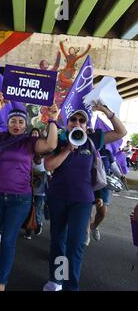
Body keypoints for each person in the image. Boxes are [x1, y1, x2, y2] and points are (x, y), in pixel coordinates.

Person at [43, 104, 127, 291]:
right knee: (58, 241)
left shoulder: (93, 139)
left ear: (86, 124)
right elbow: (49, 166)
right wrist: (67, 149)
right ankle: (57, 280)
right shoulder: (58, 139)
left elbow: (121, 132)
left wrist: (106, 111)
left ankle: (70, 286)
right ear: (67, 121)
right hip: (58, 197)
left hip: (82, 201)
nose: (77, 123)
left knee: (76, 244)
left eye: (82, 120)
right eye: (73, 119)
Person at [0, 92, 59, 291]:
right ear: (7, 124)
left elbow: (50, 144)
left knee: (8, 240)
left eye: (20, 122)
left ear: (25, 125)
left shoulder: (30, 142)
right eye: (13, 121)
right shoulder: (2, 139)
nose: (16, 124)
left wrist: (52, 120)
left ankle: (1, 282)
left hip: (20, 200)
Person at [86, 146, 125, 245]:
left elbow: (113, 166)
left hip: (104, 183)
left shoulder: (107, 152)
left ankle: (94, 226)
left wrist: (120, 175)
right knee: (86, 211)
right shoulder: (86, 149)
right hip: (88, 182)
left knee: (102, 212)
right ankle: (86, 233)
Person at [24, 128, 49, 239]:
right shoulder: (26, 149)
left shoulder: (44, 152)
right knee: (28, 208)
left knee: (37, 208)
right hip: (28, 186)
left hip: (40, 187)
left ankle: (37, 223)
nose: (34, 135)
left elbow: (48, 169)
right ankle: (29, 230)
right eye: (32, 133)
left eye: (36, 133)